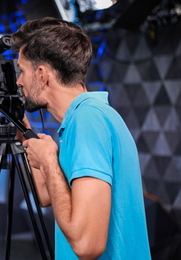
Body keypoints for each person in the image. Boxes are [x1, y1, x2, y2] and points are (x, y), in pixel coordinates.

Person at [11, 17, 151, 260]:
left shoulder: (87, 121)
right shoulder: (86, 117)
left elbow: (87, 245)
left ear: (42, 75)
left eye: (22, 70)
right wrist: (21, 129)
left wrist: (48, 161)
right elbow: (45, 196)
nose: (18, 81)